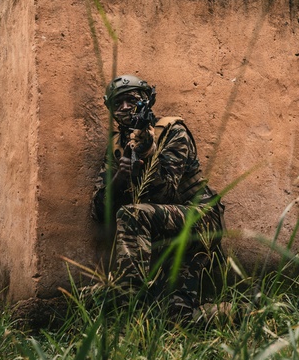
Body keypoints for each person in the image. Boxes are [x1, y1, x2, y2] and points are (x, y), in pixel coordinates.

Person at [93, 74, 225, 319]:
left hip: (200, 220)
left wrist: (148, 154)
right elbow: (99, 212)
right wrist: (120, 178)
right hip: (167, 231)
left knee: (132, 214)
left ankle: (126, 308)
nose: (125, 108)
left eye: (131, 100)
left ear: (145, 101)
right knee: (177, 316)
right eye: (117, 104)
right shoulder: (117, 147)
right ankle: (249, 312)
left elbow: (167, 194)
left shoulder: (172, 131)